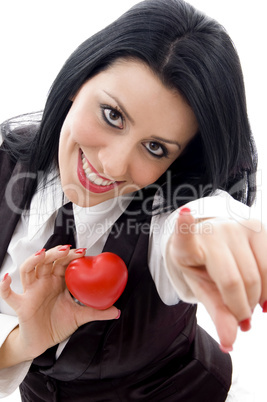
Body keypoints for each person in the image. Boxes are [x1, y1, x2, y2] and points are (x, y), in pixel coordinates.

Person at [0, 0, 265, 400]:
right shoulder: (6, 168)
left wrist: (217, 231)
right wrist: (22, 344)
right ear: (79, 79)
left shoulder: (164, 218)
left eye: (156, 147)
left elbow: (199, 221)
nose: (113, 164)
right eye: (112, 115)